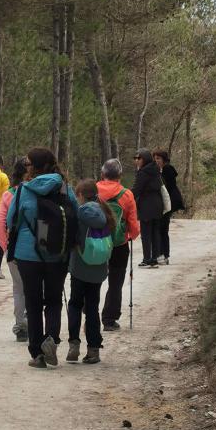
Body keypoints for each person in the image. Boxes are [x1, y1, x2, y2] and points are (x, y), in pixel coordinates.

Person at [6, 146, 77, 368]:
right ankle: (51, 340)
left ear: (33, 167)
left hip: (28, 255)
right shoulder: (65, 188)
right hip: (58, 253)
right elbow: (76, 215)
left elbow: (11, 221)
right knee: (54, 300)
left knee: (33, 302)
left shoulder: (23, 190)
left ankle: (37, 354)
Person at [66, 179, 116, 365]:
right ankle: (93, 350)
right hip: (99, 268)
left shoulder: (79, 214)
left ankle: (74, 345)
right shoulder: (105, 212)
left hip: (79, 267)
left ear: (80, 195)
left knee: (75, 305)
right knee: (92, 308)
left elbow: (72, 239)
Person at [98, 159, 139, 331]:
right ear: (120, 175)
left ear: (103, 174)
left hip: (96, 243)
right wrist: (130, 235)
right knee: (115, 282)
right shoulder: (127, 194)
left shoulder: (93, 190)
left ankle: (89, 314)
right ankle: (109, 319)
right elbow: (133, 224)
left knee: (93, 280)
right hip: (118, 244)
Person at [0, 157, 29, 341]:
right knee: (36, 286)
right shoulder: (41, 192)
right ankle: (33, 322)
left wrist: (7, 248)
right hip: (38, 249)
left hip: (15, 249)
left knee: (19, 287)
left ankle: (21, 326)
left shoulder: (9, 194)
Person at [152, 148, 185, 265]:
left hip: (169, 202)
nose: (156, 161)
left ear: (164, 159)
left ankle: (164, 255)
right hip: (167, 202)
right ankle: (162, 255)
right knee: (162, 228)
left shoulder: (167, 169)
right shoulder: (162, 170)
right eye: (155, 158)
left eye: (158, 158)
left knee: (162, 228)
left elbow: (168, 187)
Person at [133, 148, 164, 268]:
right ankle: (155, 258)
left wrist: (124, 197)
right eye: (135, 158)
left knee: (146, 233)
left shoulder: (143, 172)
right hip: (157, 203)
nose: (136, 160)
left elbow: (136, 190)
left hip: (147, 205)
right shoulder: (155, 169)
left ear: (145, 159)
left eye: (139, 158)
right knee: (155, 232)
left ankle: (147, 259)